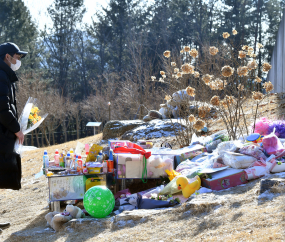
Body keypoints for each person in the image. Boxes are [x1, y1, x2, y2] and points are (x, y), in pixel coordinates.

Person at [0, 42, 27, 232]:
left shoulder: (4, 75)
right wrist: (17, 129)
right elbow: (2, 108)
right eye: (17, 57)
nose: (18, 61)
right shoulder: (0, 76)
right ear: (7, 57)